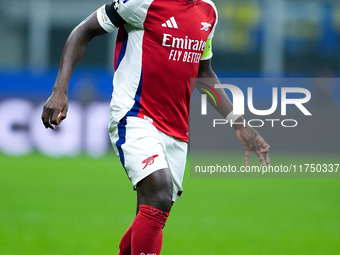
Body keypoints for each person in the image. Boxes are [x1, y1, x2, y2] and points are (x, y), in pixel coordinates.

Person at [41, 0, 270, 254]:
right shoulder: (142, 3)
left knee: (151, 211)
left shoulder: (209, 11)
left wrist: (238, 122)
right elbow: (84, 31)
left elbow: (203, 72)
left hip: (176, 129)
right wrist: (59, 91)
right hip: (135, 114)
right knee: (159, 194)